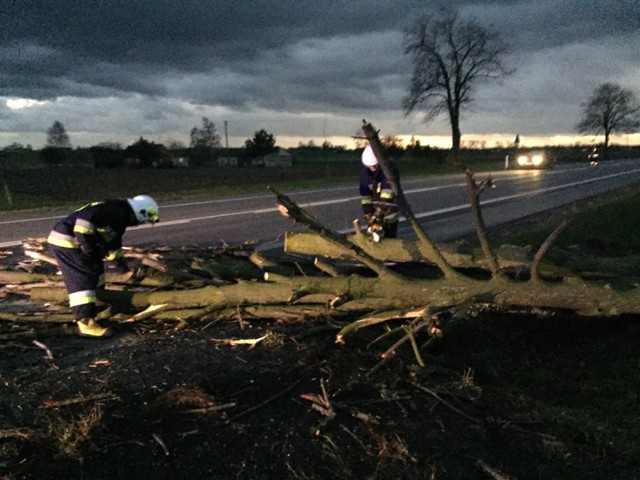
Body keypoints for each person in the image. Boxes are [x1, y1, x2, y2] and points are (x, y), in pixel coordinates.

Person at [47, 195, 159, 338]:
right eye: (140, 221)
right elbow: (83, 223)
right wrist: (87, 247)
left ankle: (98, 309)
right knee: (83, 279)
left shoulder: (119, 218)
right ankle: (86, 323)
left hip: (79, 244)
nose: (138, 224)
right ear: (139, 212)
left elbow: (113, 247)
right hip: (68, 243)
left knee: (98, 274)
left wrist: (123, 269)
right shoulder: (113, 211)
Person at [359, 145, 400, 241]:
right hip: (375, 210)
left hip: (390, 211)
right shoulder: (365, 174)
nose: (372, 167)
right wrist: (368, 213)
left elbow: (387, 194)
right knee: (374, 237)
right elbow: (365, 195)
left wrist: (378, 214)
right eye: (370, 166)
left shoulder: (389, 171)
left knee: (390, 239)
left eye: (375, 165)